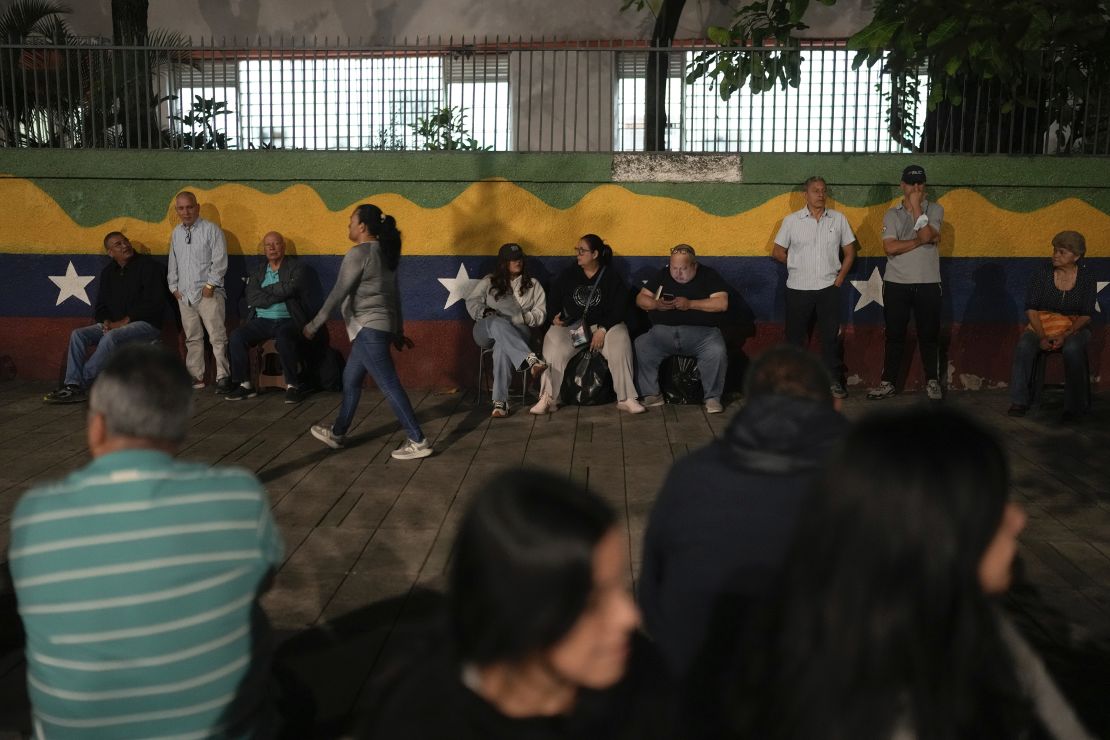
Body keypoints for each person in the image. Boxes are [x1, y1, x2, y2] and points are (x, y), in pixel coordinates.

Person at [721, 407, 1092, 740]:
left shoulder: (981, 621)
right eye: (993, 503)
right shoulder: (865, 710)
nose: (1018, 519)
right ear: (933, 531)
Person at [10, 344, 283, 738]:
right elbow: (263, 582)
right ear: (180, 426)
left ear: (97, 426)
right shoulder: (239, 494)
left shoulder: (36, 511)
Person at [358, 468, 677, 739]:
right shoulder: (418, 719)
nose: (629, 616)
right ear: (519, 610)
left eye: (619, 587)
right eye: (592, 603)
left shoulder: (642, 676)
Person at [638, 345, 847, 678]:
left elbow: (653, 595)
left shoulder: (690, 475)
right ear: (834, 405)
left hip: (700, 684)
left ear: (751, 406)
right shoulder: (867, 483)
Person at [304, 204, 433, 460]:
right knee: (351, 380)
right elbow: (394, 297)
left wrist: (314, 323)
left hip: (368, 329)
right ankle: (338, 433)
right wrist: (397, 330)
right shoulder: (385, 254)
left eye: (351, 221)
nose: (348, 225)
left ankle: (418, 440)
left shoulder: (359, 253)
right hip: (378, 329)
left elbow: (338, 292)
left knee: (389, 385)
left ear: (362, 226)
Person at [43, 231, 167, 404]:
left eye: (126, 241)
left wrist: (123, 322)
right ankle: (72, 383)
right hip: (116, 325)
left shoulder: (148, 267)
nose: (125, 245)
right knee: (78, 335)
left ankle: (80, 384)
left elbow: (154, 303)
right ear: (110, 253)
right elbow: (101, 306)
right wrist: (107, 321)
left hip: (145, 324)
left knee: (111, 337)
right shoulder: (109, 273)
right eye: (118, 244)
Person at [530, 234, 644, 415]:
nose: (578, 254)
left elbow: (619, 308)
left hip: (604, 326)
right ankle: (548, 398)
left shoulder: (610, 277)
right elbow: (553, 301)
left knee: (621, 338)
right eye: (577, 250)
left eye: (582, 250)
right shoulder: (568, 275)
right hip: (575, 328)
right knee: (553, 340)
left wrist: (603, 329)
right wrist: (554, 317)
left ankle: (626, 398)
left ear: (595, 254)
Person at [772, 176, 857, 398]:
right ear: (805, 195)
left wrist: (839, 280)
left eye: (823, 190)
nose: (820, 194)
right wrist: (796, 264)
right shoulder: (791, 221)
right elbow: (777, 251)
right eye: (815, 190)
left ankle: (833, 382)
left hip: (829, 287)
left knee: (830, 337)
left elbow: (850, 253)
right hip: (798, 288)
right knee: (795, 338)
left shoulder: (838, 220)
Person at [868, 164, 945, 401]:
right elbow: (889, 246)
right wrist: (924, 241)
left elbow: (922, 234)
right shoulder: (891, 214)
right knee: (895, 335)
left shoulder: (935, 210)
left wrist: (914, 209)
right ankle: (888, 382)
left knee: (929, 334)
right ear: (902, 185)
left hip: (928, 282)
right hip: (896, 283)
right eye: (911, 183)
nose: (916, 187)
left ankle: (932, 381)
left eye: (920, 183)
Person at [1007, 230, 1097, 420]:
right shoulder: (1042, 273)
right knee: (1024, 345)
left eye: (1062, 252)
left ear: (1077, 256)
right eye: (1055, 250)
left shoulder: (1087, 277)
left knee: (1072, 349)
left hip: (1074, 326)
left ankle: (1074, 407)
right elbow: (1031, 308)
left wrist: (1066, 334)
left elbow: (1086, 314)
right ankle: (1019, 400)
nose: (1056, 255)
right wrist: (1041, 336)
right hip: (1042, 324)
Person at [634, 244, 730, 414]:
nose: (677, 273)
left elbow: (721, 303)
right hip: (662, 335)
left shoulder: (709, 275)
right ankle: (651, 394)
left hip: (702, 336)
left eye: (683, 269)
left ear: (694, 266)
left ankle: (712, 398)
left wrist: (691, 304)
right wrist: (656, 304)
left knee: (716, 349)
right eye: (674, 268)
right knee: (642, 344)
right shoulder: (663, 274)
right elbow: (641, 299)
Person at [226, 231, 312, 404]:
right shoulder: (257, 271)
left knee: (284, 337)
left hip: (288, 319)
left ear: (283, 246)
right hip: (262, 320)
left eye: (276, 244)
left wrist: (266, 291)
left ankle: (292, 386)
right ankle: (245, 384)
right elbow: (252, 298)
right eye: (268, 245)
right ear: (264, 249)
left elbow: (291, 289)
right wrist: (280, 290)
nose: (272, 248)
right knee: (236, 336)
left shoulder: (296, 267)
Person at [466, 242, 548, 417]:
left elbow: (541, 313)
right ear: (503, 262)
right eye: (512, 260)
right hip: (486, 329)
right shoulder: (489, 281)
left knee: (502, 347)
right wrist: (484, 311)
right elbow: (472, 301)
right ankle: (530, 361)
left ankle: (500, 403)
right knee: (496, 322)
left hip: (518, 331)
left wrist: (523, 318)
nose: (517, 262)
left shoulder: (533, 285)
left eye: (519, 258)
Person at [167, 190, 232, 392]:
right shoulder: (176, 233)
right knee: (192, 338)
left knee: (217, 336)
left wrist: (210, 286)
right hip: (184, 296)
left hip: (208, 294)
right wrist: (174, 287)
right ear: (177, 210)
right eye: (181, 208)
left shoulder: (211, 230)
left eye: (189, 207)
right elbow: (173, 262)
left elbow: (220, 261)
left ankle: (223, 376)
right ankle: (196, 377)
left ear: (197, 207)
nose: (186, 212)